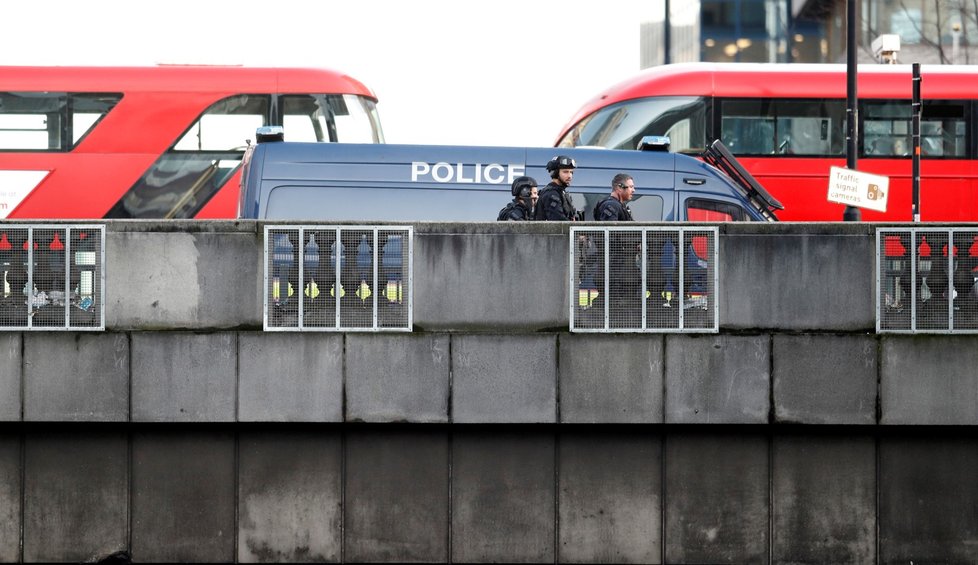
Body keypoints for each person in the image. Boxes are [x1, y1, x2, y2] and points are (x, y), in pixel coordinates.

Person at [535, 155, 578, 221]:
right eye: (565, 172)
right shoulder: (551, 194)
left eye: (571, 172)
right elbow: (559, 222)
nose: (569, 176)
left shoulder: (561, 192)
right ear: (555, 173)